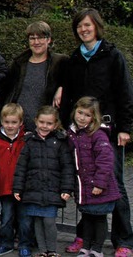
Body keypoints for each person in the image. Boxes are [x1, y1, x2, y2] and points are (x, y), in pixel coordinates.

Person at [60, 8, 133, 257]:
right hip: (81, 133)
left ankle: (124, 240)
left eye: (88, 25)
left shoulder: (112, 56)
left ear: (97, 27)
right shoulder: (74, 59)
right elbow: (68, 94)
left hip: (108, 131)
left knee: (115, 184)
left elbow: (125, 93)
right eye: (80, 26)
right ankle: (84, 236)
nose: (84, 29)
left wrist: (125, 128)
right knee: (85, 183)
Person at [13, 106, 74, 257]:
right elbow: (21, 167)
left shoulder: (60, 142)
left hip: (52, 189)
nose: (44, 126)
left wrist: (66, 189)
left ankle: (52, 250)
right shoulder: (29, 141)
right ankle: (42, 250)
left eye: (49, 123)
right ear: (36, 121)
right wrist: (17, 188)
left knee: (49, 221)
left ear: (55, 124)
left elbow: (67, 167)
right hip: (33, 188)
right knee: (37, 221)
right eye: (41, 122)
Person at [68, 97, 121, 257]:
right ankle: (86, 246)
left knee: (99, 218)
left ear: (94, 117)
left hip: (98, 185)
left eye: (87, 115)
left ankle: (97, 249)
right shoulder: (72, 133)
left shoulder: (98, 134)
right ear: (75, 112)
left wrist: (99, 183)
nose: (82, 117)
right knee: (87, 217)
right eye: (80, 112)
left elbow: (105, 160)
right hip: (84, 185)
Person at [0, 21, 67, 132]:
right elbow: (5, 92)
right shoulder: (19, 63)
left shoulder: (59, 62)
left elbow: (71, 80)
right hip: (18, 127)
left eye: (40, 38)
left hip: (45, 127)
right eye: (32, 38)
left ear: (48, 40)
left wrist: (61, 87)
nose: (36, 42)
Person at [0, 103, 29, 257]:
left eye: (14, 122)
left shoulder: (25, 140)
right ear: (2, 121)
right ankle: (5, 244)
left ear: (20, 123)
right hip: (4, 187)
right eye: (7, 122)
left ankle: (25, 243)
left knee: (24, 219)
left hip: (22, 187)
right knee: (6, 218)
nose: (10, 126)